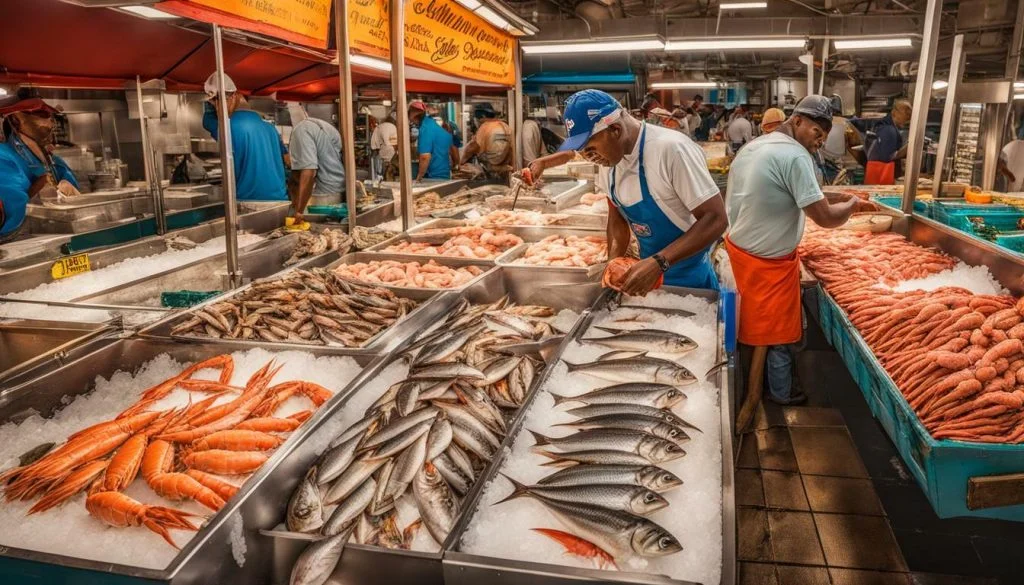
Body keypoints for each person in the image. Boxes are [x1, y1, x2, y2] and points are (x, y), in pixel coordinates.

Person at [725, 95, 878, 406]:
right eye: (816, 134)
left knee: (754, 332)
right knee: (779, 338)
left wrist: (840, 198)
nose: (819, 142)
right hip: (767, 265)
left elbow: (806, 194)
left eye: (824, 136)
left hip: (740, 255)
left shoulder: (755, 145)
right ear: (796, 121)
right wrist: (850, 204)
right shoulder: (795, 156)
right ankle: (781, 394)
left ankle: (760, 388)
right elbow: (824, 218)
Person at [537, 89, 728, 293]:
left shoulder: (671, 150)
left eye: (590, 149)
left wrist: (659, 263)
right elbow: (616, 216)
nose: (588, 157)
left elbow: (716, 218)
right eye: (582, 152)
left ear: (615, 130)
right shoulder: (608, 164)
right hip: (643, 279)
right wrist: (613, 264)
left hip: (691, 282)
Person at [0, 91, 81, 242]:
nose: (50, 122)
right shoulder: (3, 157)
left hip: (61, 240)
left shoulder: (56, 161)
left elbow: (76, 202)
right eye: (41, 114)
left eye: (50, 116)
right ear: (16, 120)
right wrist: (39, 191)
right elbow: (14, 214)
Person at [202, 73, 288, 201]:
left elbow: (207, 122)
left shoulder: (226, 128)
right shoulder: (270, 128)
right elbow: (287, 159)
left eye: (220, 101)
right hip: (279, 202)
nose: (219, 107)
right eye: (215, 102)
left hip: (249, 203)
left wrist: (210, 107)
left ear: (235, 97)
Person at [287, 105, 345, 225]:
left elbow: (309, 171)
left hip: (323, 197)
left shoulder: (301, 130)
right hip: (338, 191)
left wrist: (299, 211)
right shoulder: (322, 125)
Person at [863, 100, 912, 185]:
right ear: (894, 112)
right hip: (881, 175)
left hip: (876, 174)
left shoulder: (886, 126)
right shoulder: (888, 130)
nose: (908, 116)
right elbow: (887, 157)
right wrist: (909, 147)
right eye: (906, 113)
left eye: (909, 113)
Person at [460, 103, 513, 179]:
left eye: (476, 118)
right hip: (504, 173)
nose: (475, 121)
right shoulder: (506, 126)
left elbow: (472, 147)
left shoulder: (485, 127)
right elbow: (510, 151)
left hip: (490, 172)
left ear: (483, 116)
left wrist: (462, 161)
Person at [409, 101, 457, 181]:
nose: (411, 121)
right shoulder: (432, 124)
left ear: (413, 115)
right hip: (444, 175)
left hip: (434, 177)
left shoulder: (425, 128)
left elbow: (425, 157)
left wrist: (419, 178)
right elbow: (453, 149)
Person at [370, 111, 399, 181]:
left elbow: (374, 146)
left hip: (380, 155)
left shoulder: (379, 127)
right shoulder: (393, 127)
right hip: (390, 154)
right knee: (389, 175)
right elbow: (394, 144)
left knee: (380, 176)